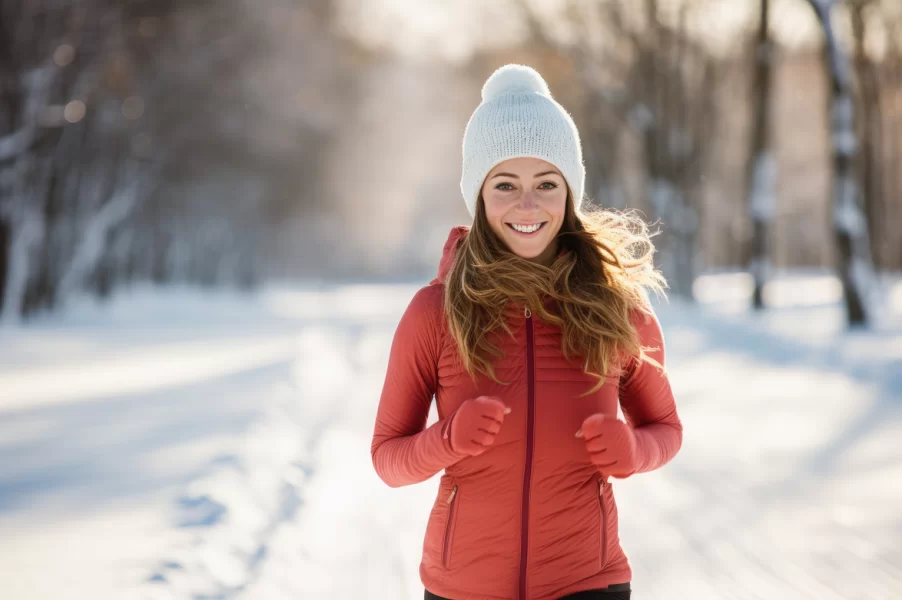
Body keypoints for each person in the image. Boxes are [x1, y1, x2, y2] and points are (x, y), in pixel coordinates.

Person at [370, 64, 683, 600]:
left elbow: (667, 429)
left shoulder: (616, 310)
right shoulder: (435, 312)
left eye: (546, 184)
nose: (528, 205)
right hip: (464, 587)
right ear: (478, 194)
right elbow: (388, 459)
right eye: (505, 185)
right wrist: (447, 439)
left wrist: (634, 448)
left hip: (588, 581)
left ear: (569, 193)